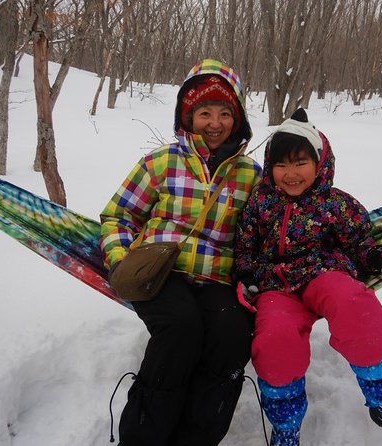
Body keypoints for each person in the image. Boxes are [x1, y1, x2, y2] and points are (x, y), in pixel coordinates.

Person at [233, 108, 382, 446]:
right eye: (281, 164)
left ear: (320, 162)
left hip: (324, 273)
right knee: (274, 341)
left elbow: (359, 243)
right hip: (276, 286)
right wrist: (245, 274)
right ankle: (285, 427)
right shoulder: (259, 202)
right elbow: (246, 247)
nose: (291, 173)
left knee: (356, 306)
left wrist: (376, 257)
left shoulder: (336, 204)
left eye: (300, 162)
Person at [100, 59, 262, 446]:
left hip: (218, 279)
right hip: (159, 273)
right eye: (204, 112)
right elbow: (118, 216)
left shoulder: (252, 174)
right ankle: (143, 437)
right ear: (187, 116)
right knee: (181, 330)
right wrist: (122, 260)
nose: (215, 123)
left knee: (232, 337)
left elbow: (264, 232)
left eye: (225, 113)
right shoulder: (160, 163)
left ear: (237, 120)